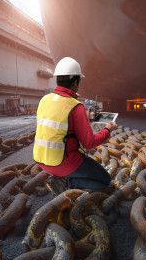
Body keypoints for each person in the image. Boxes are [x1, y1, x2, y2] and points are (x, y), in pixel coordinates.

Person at [33, 57, 117, 195]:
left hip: (41, 160)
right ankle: (65, 183)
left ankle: (62, 178)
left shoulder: (44, 100)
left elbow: (60, 124)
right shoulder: (75, 107)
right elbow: (89, 143)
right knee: (104, 180)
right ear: (75, 82)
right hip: (63, 163)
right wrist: (108, 130)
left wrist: (84, 117)